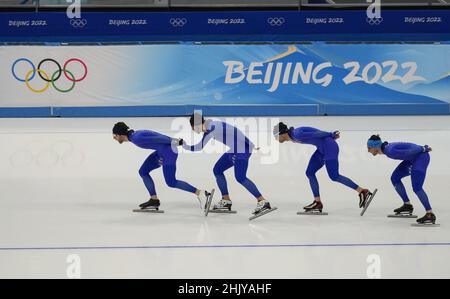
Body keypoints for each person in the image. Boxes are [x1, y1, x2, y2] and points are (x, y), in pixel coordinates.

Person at [183, 113, 272, 216]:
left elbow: (234, 131)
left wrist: (251, 145)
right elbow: (200, 146)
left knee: (240, 177)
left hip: (242, 150)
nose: (192, 129)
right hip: (235, 150)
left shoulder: (213, 128)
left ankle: (262, 201)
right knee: (217, 169)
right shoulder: (210, 127)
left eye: (192, 127)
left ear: (195, 125)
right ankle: (226, 200)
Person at [274, 122, 372, 213]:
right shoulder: (292, 136)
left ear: (282, 133)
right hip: (321, 149)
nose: (275, 139)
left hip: (330, 148)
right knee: (310, 173)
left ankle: (362, 191)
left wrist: (331, 134)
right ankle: (317, 203)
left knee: (334, 176)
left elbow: (317, 134)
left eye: (276, 136)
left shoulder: (297, 134)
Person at [112, 122, 211, 211]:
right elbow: (157, 136)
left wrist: (175, 141)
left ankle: (200, 193)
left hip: (168, 152)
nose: (114, 138)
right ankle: (154, 200)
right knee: (143, 171)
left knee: (171, 182)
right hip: (162, 152)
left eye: (115, 136)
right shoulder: (135, 136)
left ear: (120, 134)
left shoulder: (137, 138)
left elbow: (158, 138)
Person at [367, 135, 436, 224]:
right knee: (395, 178)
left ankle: (430, 214)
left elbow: (411, 150)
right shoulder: (387, 149)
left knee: (417, 188)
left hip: (421, 158)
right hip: (412, 158)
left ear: (375, 146)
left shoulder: (390, 151)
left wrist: (423, 148)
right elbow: (408, 149)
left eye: (369, 148)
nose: (368, 151)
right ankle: (407, 205)